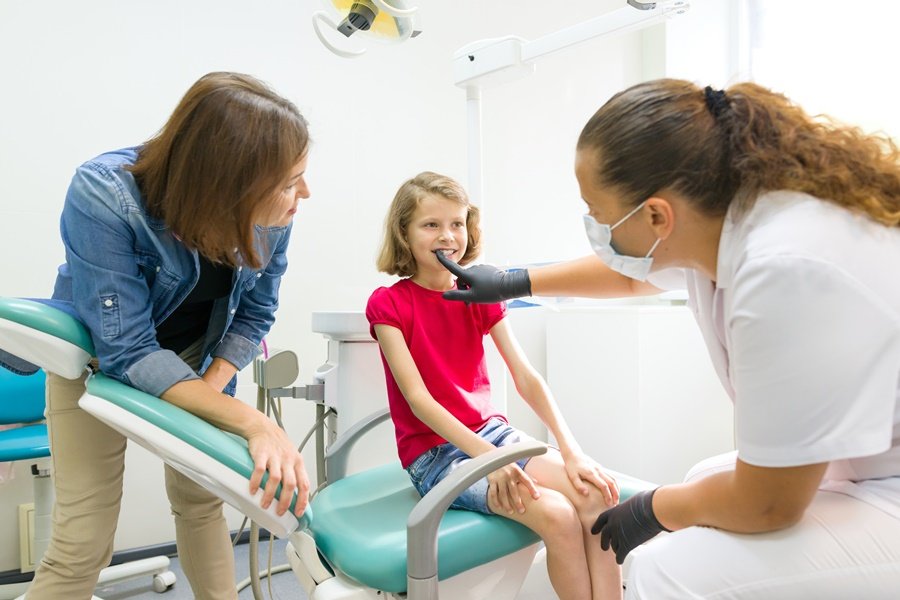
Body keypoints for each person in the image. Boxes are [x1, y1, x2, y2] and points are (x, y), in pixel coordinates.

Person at [435, 78, 900, 598]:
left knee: (667, 569)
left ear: (657, 215)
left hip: (888, 487)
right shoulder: (724, 220)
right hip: (871, 456)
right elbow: (631, 274)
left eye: (599, 215)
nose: (595, 225)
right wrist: (518, 281)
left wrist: (655, 507)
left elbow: (768, 504)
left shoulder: (783, 269)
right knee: (703, 478)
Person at [14, 72, 311, 600]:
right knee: (83, 538)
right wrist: (255, 423)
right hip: (98, 357)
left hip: (201, 355)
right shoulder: (103, 192)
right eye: (290, 182)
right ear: (228, 183)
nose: (303, 195)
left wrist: (216, 385)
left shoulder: (273, 212)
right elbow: (126, 349)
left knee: (202, 503)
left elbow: (256, 311)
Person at [365, 171, 623, 600]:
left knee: (595, 497)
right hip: (436, 455)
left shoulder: (480, 292)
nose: (448, 236)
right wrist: (491, 461)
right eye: (431, 225)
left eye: (457, 223)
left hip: (493, 436)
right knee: (558, 517)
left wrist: (572, 450)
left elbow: (527, 378)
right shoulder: (388, 303)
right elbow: (419, 400)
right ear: (404, 234)